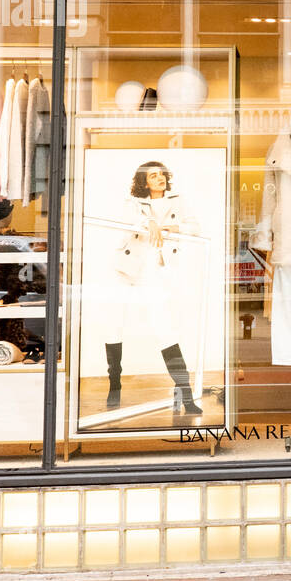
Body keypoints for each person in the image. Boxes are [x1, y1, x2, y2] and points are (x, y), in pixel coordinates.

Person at [104, 161, 203, 416]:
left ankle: (186, 392)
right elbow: (124, 226)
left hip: (154, 270)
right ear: (144, 182)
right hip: (126, 268)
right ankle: (114, 382)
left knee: (165, 329)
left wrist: (170, 228)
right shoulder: (132, 202)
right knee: (114, 324)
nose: (159, 179)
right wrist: (147, 223)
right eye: (153, 176)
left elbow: (195, 227)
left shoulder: (177, 201)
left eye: (162, 174)